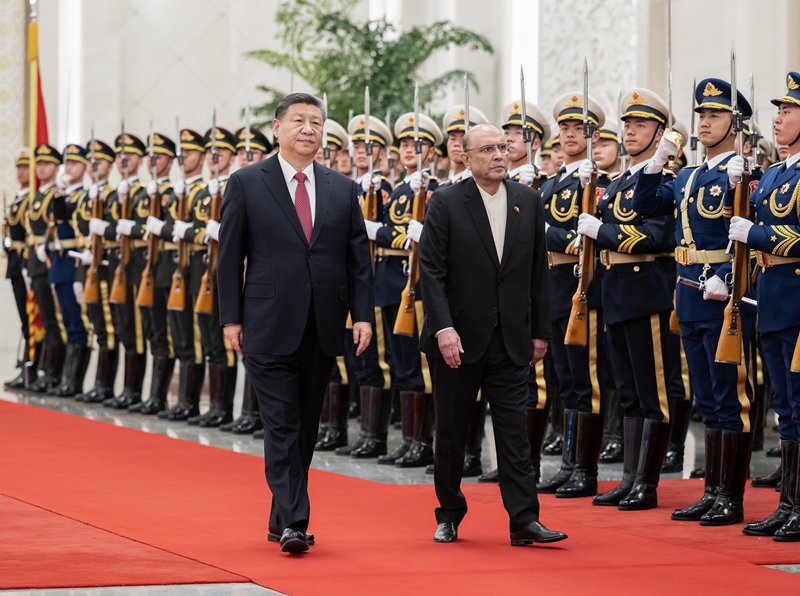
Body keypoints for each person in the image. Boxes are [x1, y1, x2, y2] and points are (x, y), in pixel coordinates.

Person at [217, 92, 374, 554]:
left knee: (305, 424)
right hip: (266, 320)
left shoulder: (342, 188)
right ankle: (296, 522)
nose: (309, 129)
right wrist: (231, 319)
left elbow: (357, 261)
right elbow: (229, 259)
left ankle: (278, 515)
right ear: (278, 127)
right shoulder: (247, 182)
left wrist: (361, 315)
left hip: (323, 323)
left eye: (317, 123)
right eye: (299, 121)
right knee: (281, 423)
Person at [418, 123, 566, 546]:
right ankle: (449, 513)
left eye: (504, 147)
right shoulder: (446, 202)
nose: (500, 155)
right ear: (466, 157)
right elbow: (432, 271)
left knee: (514, 432)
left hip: (511, 338)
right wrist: (444, 328)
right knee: (451, 430)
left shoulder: (528, 200)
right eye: (488, 149)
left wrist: (539, 330)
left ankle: (523, 519)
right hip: (458, 340)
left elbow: (538, 270)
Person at [633, 78, 755, 524]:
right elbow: (647, 205)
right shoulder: (688, 175)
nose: (704, 122)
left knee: (729, 396)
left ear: (735, 124)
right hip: (687, 293)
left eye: (715, 115)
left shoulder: (743, 173)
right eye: (701, 115)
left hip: (722, 295)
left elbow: (747, 238)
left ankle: (731, 496)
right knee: (706, 395)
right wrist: (658, 160)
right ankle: (712, 490)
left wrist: (727, 276)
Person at [580, 88, 675, 509]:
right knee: (627, 390)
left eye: (641, 125)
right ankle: (630, 478)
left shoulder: (662, 182)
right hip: (615, 290)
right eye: (628, 124)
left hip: (645, 291)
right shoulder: (617, 182)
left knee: (653, 389)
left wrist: (603, 233)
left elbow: (655, 236)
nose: (631, 131)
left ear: (659, 134)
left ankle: (648, 483)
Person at [536, 92, 611, 498]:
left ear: (593, 134)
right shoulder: (554, 182)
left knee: (586, 379)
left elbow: (591, 239)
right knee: (564, 379)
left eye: (576, 128)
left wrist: (547, 235)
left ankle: (586, 468)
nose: (567, 135)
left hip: (580, 286)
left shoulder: (598, 183)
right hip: (552, 286)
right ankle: (569, 463)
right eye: (563, 128)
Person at [736, 72, 800, 541]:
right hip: (773, 300)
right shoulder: (777, 172)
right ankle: (789, 503)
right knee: (785, 407)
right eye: (777, 111)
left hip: (797, 301)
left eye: (788, 111)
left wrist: (755, 234)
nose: (777, 119)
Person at [371, 112, 443, 468]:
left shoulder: (436, 191)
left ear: (431, 150)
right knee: (399, 364)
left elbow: (426, 238)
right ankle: (409, 439)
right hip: (388, 283)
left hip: (412, 285)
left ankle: (422, 441)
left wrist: (381, 233)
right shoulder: (400, 190)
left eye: (418, 144)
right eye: (403, 143)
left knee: (418, 366)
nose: (409, 149)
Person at [157, 129, 208, 422]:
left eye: (188, 153)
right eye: (181, 153)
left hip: (197, 270)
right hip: (176, 270)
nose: (183, 158)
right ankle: (185, 401)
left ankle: (194, 402)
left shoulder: (204, 192)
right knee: (180, 337)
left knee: (196, 337)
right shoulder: (177, 193)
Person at [130, 132, 178, 415]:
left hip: (167, 268)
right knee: (152, 332)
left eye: (157, 156)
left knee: (165, 333)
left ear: (170, 161)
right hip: (146, 269)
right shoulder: (142, 193)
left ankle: (159, 396)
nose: (152, 161)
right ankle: (150, 395)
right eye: (150, 157)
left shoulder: (173, 192)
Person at [75, 140, 120, 403]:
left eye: (99, 162)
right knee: (95, 325)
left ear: (110, 166)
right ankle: (98, 383)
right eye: (90, 162)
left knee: (107, 326)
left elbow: (113, 230)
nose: (94, 166)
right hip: (86, 264)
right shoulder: (85, 196)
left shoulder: (114, 195)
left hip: (105, 267)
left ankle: (105, 385)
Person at [47, 144, 92, 397]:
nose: (69, 167)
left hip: (74, 263)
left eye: (75, 163)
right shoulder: (63, 195)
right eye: (67, 163)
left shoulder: (84, 196)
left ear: (85, 167)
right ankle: (65, 378)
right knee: (65, 321)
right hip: (59, 262)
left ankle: (74, 381)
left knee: (78, 323)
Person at [26, 144, 67, 392]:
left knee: (53, 320)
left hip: (48, 260)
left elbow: (55, 224)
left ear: (56, 167)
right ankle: (46, 369)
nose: (41, 168)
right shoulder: (38, 195)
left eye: (47, 164)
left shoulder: (54, 194)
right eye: (38, 164)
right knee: (44, 317)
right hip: (34, 260)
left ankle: (55, 372)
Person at [5, 149, 34, 389]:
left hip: (25, 262)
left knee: (31, 319)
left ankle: (31, 366)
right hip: (15, 263)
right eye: (19, 167)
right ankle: (27, 366)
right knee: (25, 321)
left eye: (26, 167)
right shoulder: (17, 198)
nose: (21, 172)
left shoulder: (30, 200)